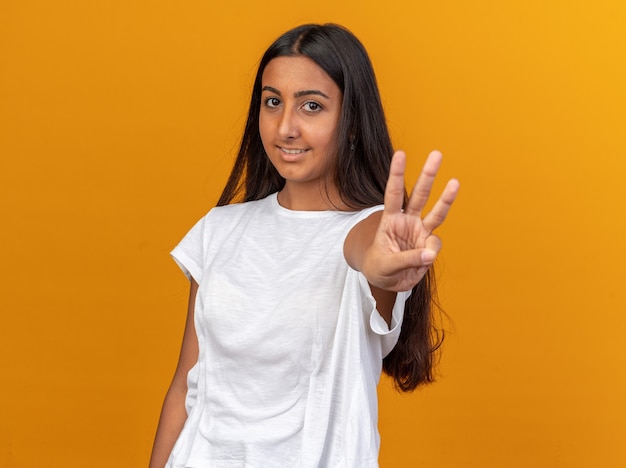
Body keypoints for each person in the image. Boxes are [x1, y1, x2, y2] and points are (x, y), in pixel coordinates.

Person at [149, 23, 460, 468]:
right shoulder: (218, 230)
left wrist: (383, 267)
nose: (285, 127)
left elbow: (364, 251)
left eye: (311, 106)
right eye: (272, 102)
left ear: (352, 123)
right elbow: (186, 384)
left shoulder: (368, 230)